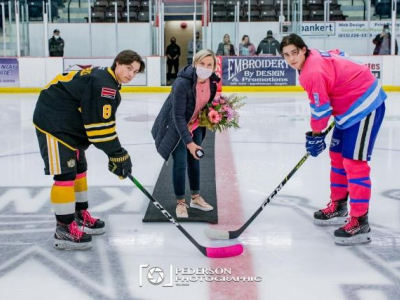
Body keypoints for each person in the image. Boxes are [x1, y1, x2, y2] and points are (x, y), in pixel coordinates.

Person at [280, 34, 386, 245]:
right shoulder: (313, 59)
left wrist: (316, 135)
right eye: (286, 55)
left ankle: (359, 220)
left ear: (303, 50)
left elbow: (320, 111)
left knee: (354, 163)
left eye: (294, 52)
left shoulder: (311, 72)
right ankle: (338, 205)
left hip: (365, 106)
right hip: (347, 109)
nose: (291, 59)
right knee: (337, 156)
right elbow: (340, 55)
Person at [33, 50, 145, 250]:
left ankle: (79, 215)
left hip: (68, 123)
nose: (131, 74)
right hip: (53, 123)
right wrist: (117, 154)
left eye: (135, 72)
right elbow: (100, 130)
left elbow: (99, 127)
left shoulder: (107, 81)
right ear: (117, 62)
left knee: (80, 170)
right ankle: (64, 228)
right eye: (129, 68)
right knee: (65, 175)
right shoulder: (105, 86)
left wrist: (115, 153)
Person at [151, 49, 220, 218]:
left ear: (214, 67)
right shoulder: (182, 83)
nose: (205, 67)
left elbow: (204, 106)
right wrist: (189, 142)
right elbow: (178, 116)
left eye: (209, 64)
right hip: (175, 125)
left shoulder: (212, 82)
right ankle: (180, 202)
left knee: (194, 161)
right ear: (195, 63)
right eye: (202, 63)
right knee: (180, 162)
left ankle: (195, 198)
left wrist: (214, 115)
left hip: (195, 125)